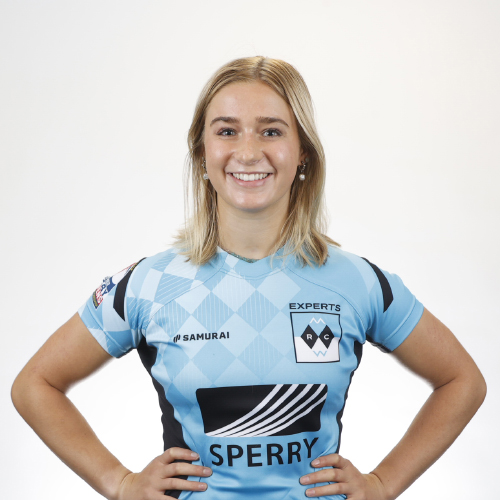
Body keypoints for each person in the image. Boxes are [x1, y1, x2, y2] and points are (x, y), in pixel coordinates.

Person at [12, 56, 486, 500]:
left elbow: (462, 380)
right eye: (227, 131)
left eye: (271, 131)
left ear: (303, 152)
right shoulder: (150, 284)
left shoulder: (357, 282)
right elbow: (35, 384)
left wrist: (382, 483)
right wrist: (119, 483)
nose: (248, 151)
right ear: (202, 152)